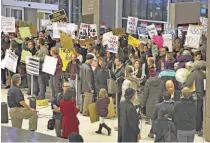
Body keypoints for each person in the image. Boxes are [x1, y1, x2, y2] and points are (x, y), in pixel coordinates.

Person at [184, 61, 206, 136]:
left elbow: (188, 84)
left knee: (194, 112)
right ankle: (199, 128)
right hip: (201, 95)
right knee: (199, 112)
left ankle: (194, 128)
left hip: (194, 94)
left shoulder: (193, 74)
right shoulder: (203, 74)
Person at [141, 69, 163, 138]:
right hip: (159, 101)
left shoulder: (148, 82)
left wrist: (142, 103)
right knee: (157, 119)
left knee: (153, 119)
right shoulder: (161, 81)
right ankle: (152, 132)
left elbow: (145, 94)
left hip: (150, 102)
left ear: (150, 74)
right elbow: (162, 91)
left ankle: (153, 132)